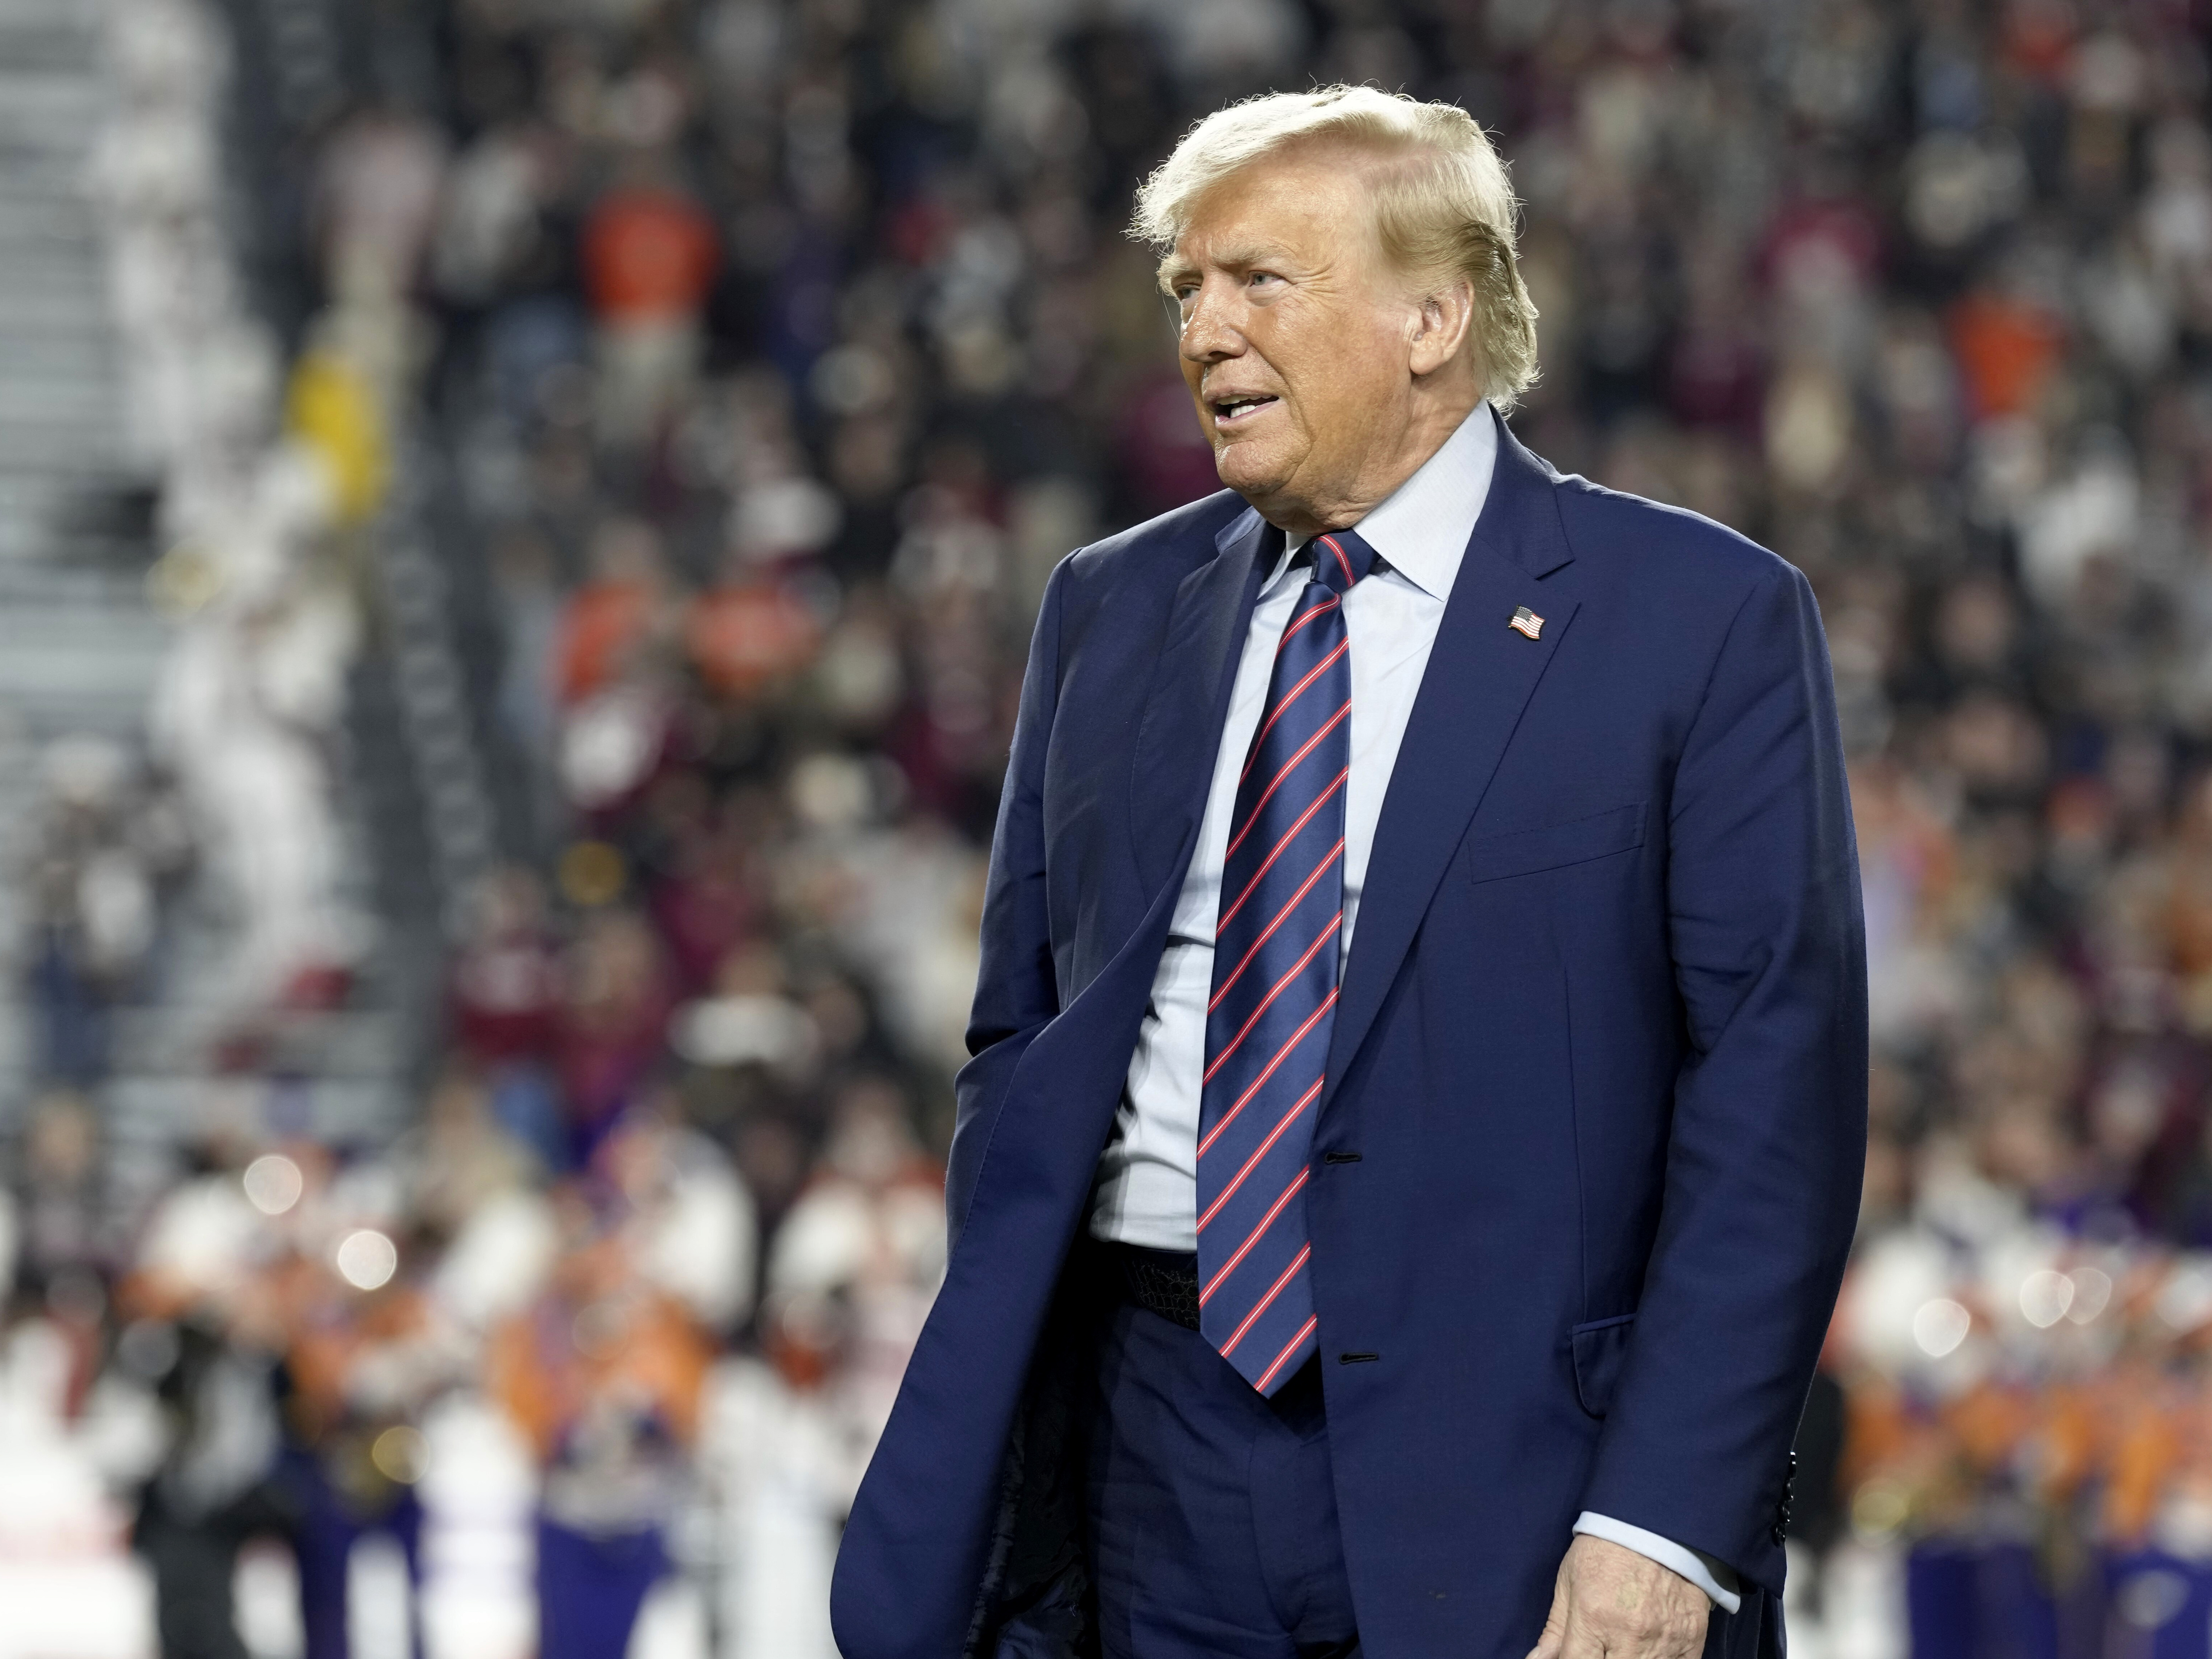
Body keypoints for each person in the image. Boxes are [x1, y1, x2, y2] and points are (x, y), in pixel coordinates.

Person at [830, 86, 1868, 1659]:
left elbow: (1771, 1106)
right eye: (1185, 289)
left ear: (1431, 315)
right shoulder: (1106, 610)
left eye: (1259, 280)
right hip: (1143, 1443)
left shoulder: (1695, 620)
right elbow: (1019, 1037)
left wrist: (1659, 1520)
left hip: (1520, 1470)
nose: (1202, 332)